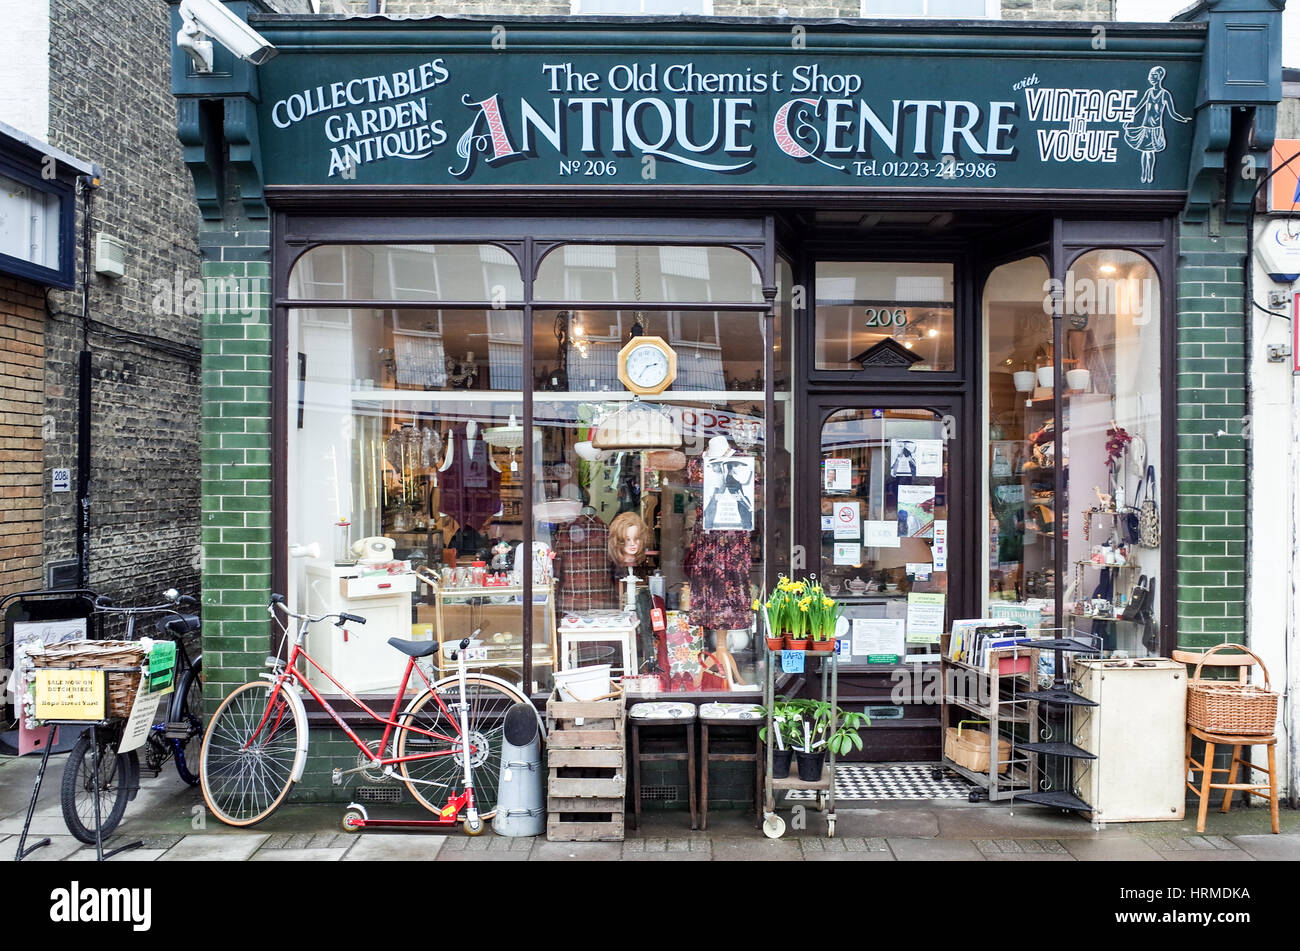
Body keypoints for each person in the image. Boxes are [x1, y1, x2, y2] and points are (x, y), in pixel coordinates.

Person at [1123, 66, 1190, 185]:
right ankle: (1144, 174)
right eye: (1150, 75)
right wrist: (1128, 119)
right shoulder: (1149, 92)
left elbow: (1172, 112)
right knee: (1145, 152)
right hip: (1146, 127)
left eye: (1154, 75)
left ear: (1160, 77)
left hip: (1156, 129)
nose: (1151, 78)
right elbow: (1139, 107)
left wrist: (1183, 119)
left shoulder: (1165, 94)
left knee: (1151, 152)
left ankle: (1149, 174)